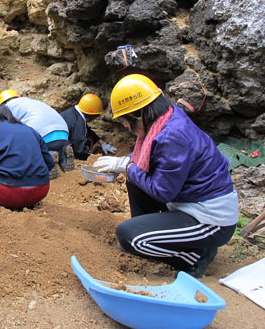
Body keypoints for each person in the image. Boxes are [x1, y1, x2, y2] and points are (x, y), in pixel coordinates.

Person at [93, 74, 238, 278]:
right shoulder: (166, 119)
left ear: (140, 114)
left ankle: (194, 256)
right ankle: (153, 234)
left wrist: (128, 166)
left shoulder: (172, 136)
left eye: (126, 120)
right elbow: (148, 161)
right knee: (135, 175)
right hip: (189, 204)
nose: (125, 126)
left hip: (210, 220)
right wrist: (127, 164)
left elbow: (163, 192)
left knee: (129, 238)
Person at [0, 89, 69, 179]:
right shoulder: (30, 101)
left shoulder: (6, 108)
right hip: (63, 133)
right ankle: (62, 152)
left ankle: (47, 158)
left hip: (43, 136)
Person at [60, 93, 117, 166]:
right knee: (87, 142)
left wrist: (102, 143)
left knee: (88, 136)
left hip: (53, 138)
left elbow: (88, 130)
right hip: (58, 145)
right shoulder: (78, 123)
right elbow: (79, 149)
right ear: (92, 116)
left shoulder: (74, 113)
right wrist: (95, 159)